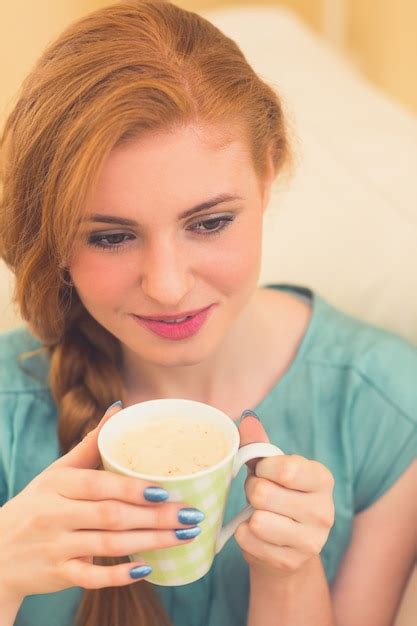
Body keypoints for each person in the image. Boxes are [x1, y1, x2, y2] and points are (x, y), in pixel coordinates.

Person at [0, 1, 416, 625]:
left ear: (269, 172)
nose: (167, 287)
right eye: (111, 237)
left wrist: (288, 574)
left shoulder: (386, 405)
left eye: (210, 222)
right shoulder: (10, 403)